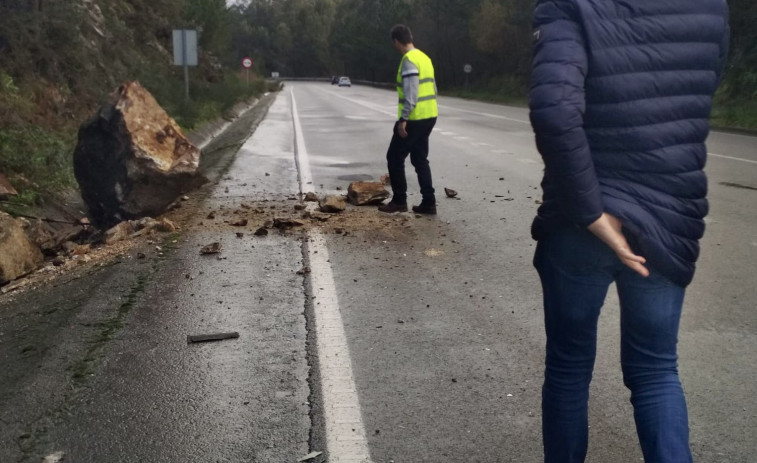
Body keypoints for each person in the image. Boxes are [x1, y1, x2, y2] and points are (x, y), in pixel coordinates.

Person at [528, 1, 729, 462]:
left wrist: (593, 214)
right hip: (668, 218)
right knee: (657, 372)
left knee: (568, 368)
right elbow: (694, 93)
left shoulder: (569, 6)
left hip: (579, 225)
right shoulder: (712, 7)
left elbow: (555, 110)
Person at [378, 24, 438, 215]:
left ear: (396, 41)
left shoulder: (409, 60)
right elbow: (434, 89)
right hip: (429, 115)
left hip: (414, 118)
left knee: (394, 157)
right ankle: (429, 203)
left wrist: (403, 119)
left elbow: (411, 94)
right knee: (420, 159)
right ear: (410, 38)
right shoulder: (424, 58)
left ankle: (399, 200)